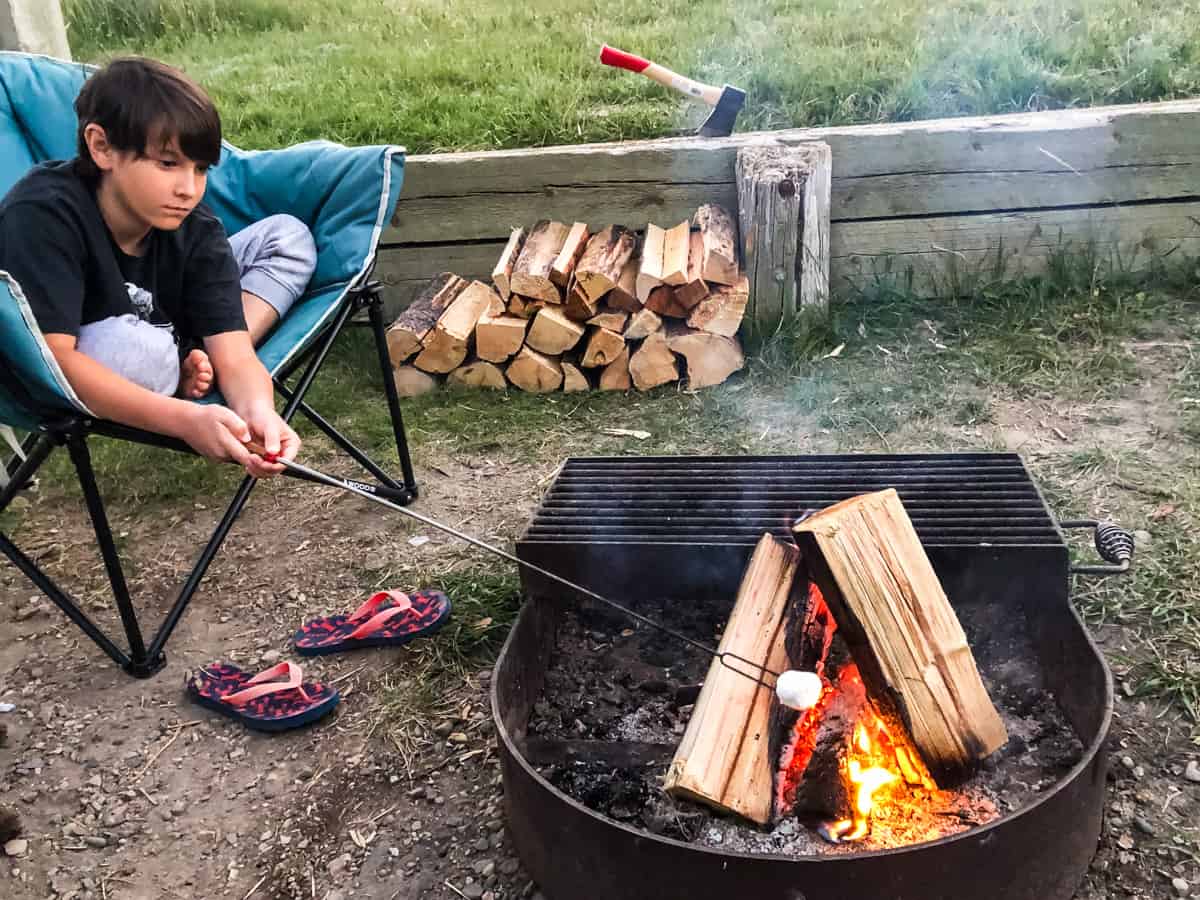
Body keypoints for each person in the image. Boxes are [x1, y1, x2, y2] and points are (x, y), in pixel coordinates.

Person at [0, 57, 315, 478]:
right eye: (168, 165)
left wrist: (260, 414)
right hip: (79, 352)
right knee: (133, 349)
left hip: (166, 327)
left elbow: (237, 357)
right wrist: (185, 419)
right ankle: (176, 362)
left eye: (200, 169)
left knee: (288, 237)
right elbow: (53, 360)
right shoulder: (44, 212)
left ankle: (188, 354)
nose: (188, 189)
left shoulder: (195, 227)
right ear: (101, 147)